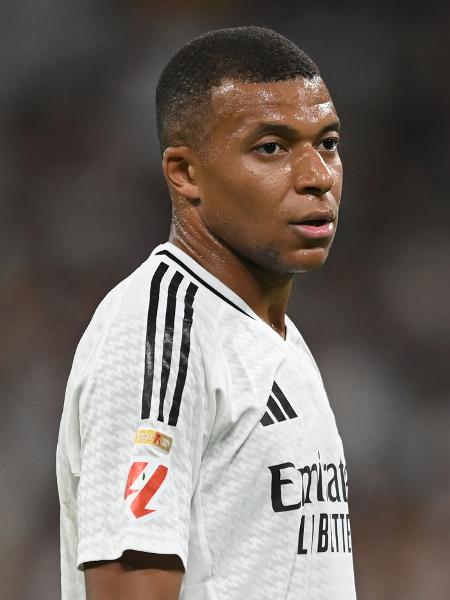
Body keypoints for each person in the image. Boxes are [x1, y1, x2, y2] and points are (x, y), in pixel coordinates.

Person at [56, 25, 357, 600]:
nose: (317, 177)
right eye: (271, 147)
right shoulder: (160, 333)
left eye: (327, 142)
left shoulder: (274, 335)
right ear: (186, 174)